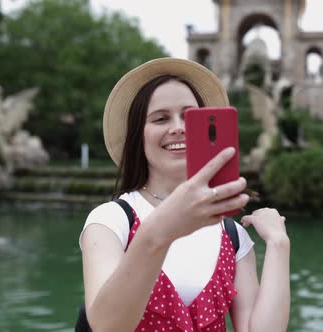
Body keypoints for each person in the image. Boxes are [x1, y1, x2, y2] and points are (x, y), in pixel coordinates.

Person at [79, 58, 290, 331]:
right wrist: (162, 230)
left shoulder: (233, 234)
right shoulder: (111, 220)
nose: (178, 127)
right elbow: (108, 326)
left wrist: (278, 244)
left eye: (189, 116)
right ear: (137, 136)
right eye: (160, 118)